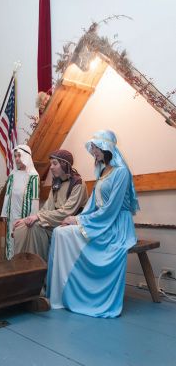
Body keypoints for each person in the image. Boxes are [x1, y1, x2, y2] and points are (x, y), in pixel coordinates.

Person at [47, 130, 140, 318]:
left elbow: (112, 209)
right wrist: (75, 219)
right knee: (59, 231)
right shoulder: (103, 171)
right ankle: (61, 293)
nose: (94, 151)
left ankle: (79, 293)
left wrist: (78, 220)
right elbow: (92, 204)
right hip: (100, 220)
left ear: (107, 148)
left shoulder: (121, 172)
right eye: (93, 148)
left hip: (116, 225)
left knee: (65, 233)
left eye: (97, 147)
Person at [13, 149, 88, 262]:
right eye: (51, 163)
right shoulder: (56, 182)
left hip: (69, 223)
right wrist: (26, 220)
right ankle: (20, 265)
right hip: (54, 221)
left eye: (55, 163)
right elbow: (47, 207)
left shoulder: (78, 184)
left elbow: (67, 212)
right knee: (22, 227)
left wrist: (38, 217)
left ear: (65, 164)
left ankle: (37, 267)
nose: (51, 167)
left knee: (35, 227)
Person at [1, 144, 40, 259]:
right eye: (15, 156)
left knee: (22, 243)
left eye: (19, 156)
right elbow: (7, 194)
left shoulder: (33, 176)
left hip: (25, 217)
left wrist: (32, 218)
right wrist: (4, 212)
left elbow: (35, 199)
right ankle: (10, 264)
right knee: (11, 240)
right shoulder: (13, 174)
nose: (17, 159)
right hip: (11, 214)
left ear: (26, 157)